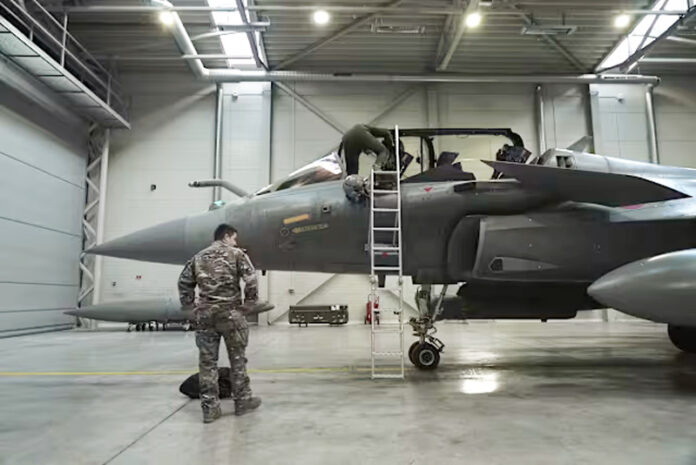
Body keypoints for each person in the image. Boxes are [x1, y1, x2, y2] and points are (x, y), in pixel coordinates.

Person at [178, 224, 261, 423]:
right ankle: (242, 402)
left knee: (207, 363)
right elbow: (251, 280)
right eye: (234, 238)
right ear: (226, 236)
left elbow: (184, 282)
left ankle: (210, 409)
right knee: (238, 360)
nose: (235, 242)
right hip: (231, 315)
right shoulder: (237, 254)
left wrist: (190, 306)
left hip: (206, 317)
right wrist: (248, 305)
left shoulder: (198, 257)